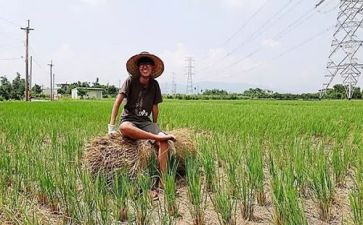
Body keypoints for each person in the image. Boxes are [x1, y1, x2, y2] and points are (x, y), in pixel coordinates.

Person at [108, 51, 176, 182]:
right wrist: (111, 127)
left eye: (148, 65)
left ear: (152, 68)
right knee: (123, 127)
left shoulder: (154, 84)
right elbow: (117, 102)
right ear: (138, 68)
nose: (145, 67)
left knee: (164, 142)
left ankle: (163, 180)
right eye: (142, 65)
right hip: (129, 120)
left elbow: (155, 108)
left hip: (145, 122)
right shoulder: (130, 81)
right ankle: (153, 137)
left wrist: (155, 125)